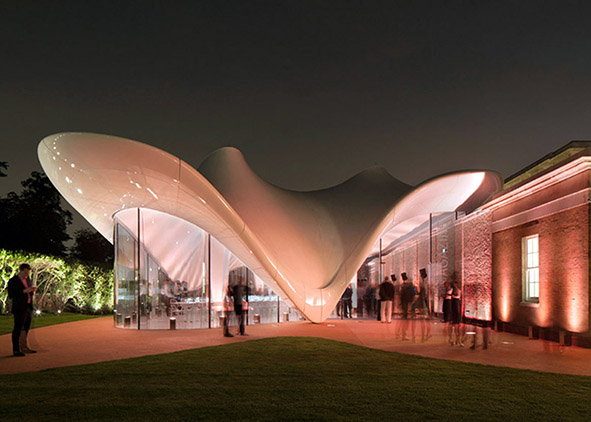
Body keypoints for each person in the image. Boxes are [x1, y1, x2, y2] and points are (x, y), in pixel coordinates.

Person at [7, 263, 37, 356]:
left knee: (26, 328)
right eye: (25, 272)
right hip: (19, 308)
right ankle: (16, 349)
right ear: (21, 270)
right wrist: (24, 291)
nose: (27, 275)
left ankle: (24, 347)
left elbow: (29, 293)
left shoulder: (27, 280)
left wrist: (31, 291)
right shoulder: (13, 281)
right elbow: (11, 295)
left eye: (28, 273)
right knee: (18, 328)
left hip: (28, 306)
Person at [450, 280, 463, 346]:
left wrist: (453, 296)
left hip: (456, 302)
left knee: (456, 311)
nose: (453, 285)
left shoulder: (458, 290)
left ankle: (457, 320)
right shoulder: (453, 289)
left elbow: (458, 296)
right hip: (454, 302)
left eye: (454, 284)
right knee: (454, 311)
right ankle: (454, 320)